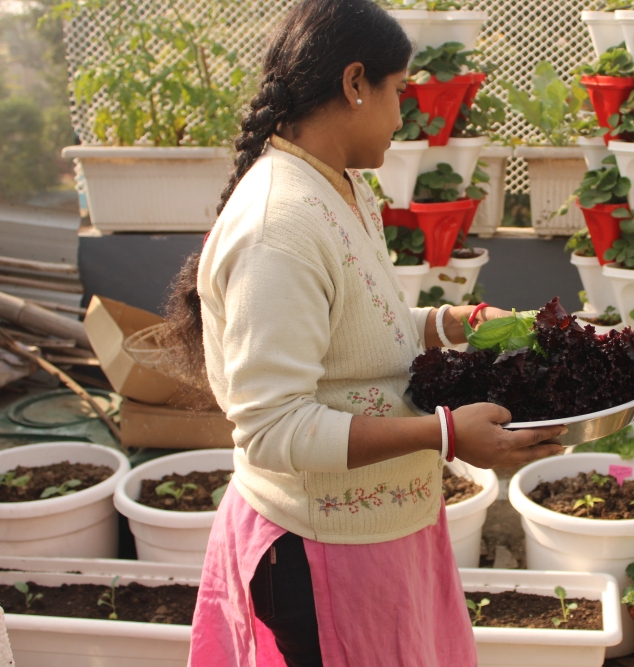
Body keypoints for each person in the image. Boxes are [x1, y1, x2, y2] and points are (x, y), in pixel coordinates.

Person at [170, 1, 567, 665]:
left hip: (379, 535)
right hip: (321, 552)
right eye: (399, 92)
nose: (403, 116)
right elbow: (274, 429)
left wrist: (458, 323)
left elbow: (360, 331)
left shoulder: (343, 187)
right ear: (356, 83)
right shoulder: (278, 227)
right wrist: (446, 435)